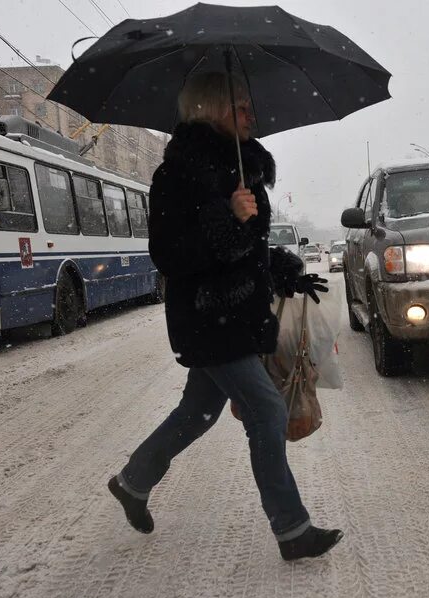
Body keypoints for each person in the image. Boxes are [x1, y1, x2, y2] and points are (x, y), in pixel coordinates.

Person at [107, 72, 342, 561]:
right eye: (239, 105)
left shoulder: (245, 171)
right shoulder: (176, 177)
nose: (250, 114)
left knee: (198, 412)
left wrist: (283, 269)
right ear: (210, 109)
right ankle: (292, 529)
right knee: (267, 410)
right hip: (207, 318)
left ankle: (133, 481)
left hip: (240, 317)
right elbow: (171, 256)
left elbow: (247, 252)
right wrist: (226, 217)